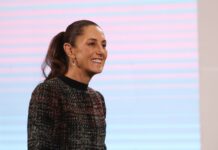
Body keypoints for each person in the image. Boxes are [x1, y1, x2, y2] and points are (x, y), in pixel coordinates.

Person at [28, 20, 107, 149]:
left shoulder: (98, 99)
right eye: (92, 44)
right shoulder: (48, 91)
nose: (101, 51)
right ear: (70, 50)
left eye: (103, 45)